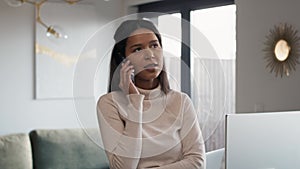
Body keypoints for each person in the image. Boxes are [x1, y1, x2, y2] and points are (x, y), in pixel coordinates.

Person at [97, 19, 206, 169]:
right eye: (137, 49)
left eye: (154, 45)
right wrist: (134, 102)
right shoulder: (109, 104)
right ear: (123, 59)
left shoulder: (181, 101)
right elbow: (123, 167)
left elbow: (197, 162)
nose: (150, 54)